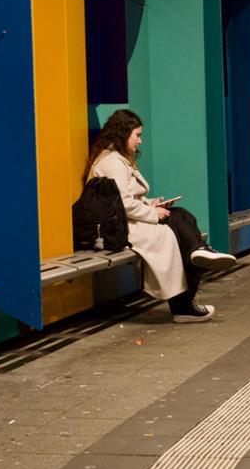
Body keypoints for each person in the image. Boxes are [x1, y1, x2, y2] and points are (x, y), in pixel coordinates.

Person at [84, 109, 236, 323]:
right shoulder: (113, 162)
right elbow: (122, 204)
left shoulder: (118, 159)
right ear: (123, 133)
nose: (140, 141)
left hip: (128, 222)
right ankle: (187, 294)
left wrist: (151, 203)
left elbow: (122, 199)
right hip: (120, 228)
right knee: (179, 225)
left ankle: (195, 262)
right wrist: (153, 213)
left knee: (179, 221)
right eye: (137, 135)